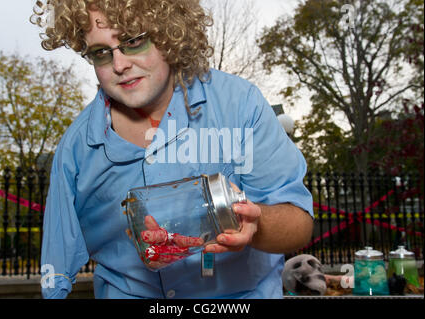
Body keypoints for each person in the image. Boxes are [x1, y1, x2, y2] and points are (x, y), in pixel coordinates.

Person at [31, 0, 314, 299]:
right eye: (102, 53)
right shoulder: (77, 149)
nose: (119, 64)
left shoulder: (240, 105)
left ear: (167, 33)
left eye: (134, 40)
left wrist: (255, 224)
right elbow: (57, 267)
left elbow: (299, 224)